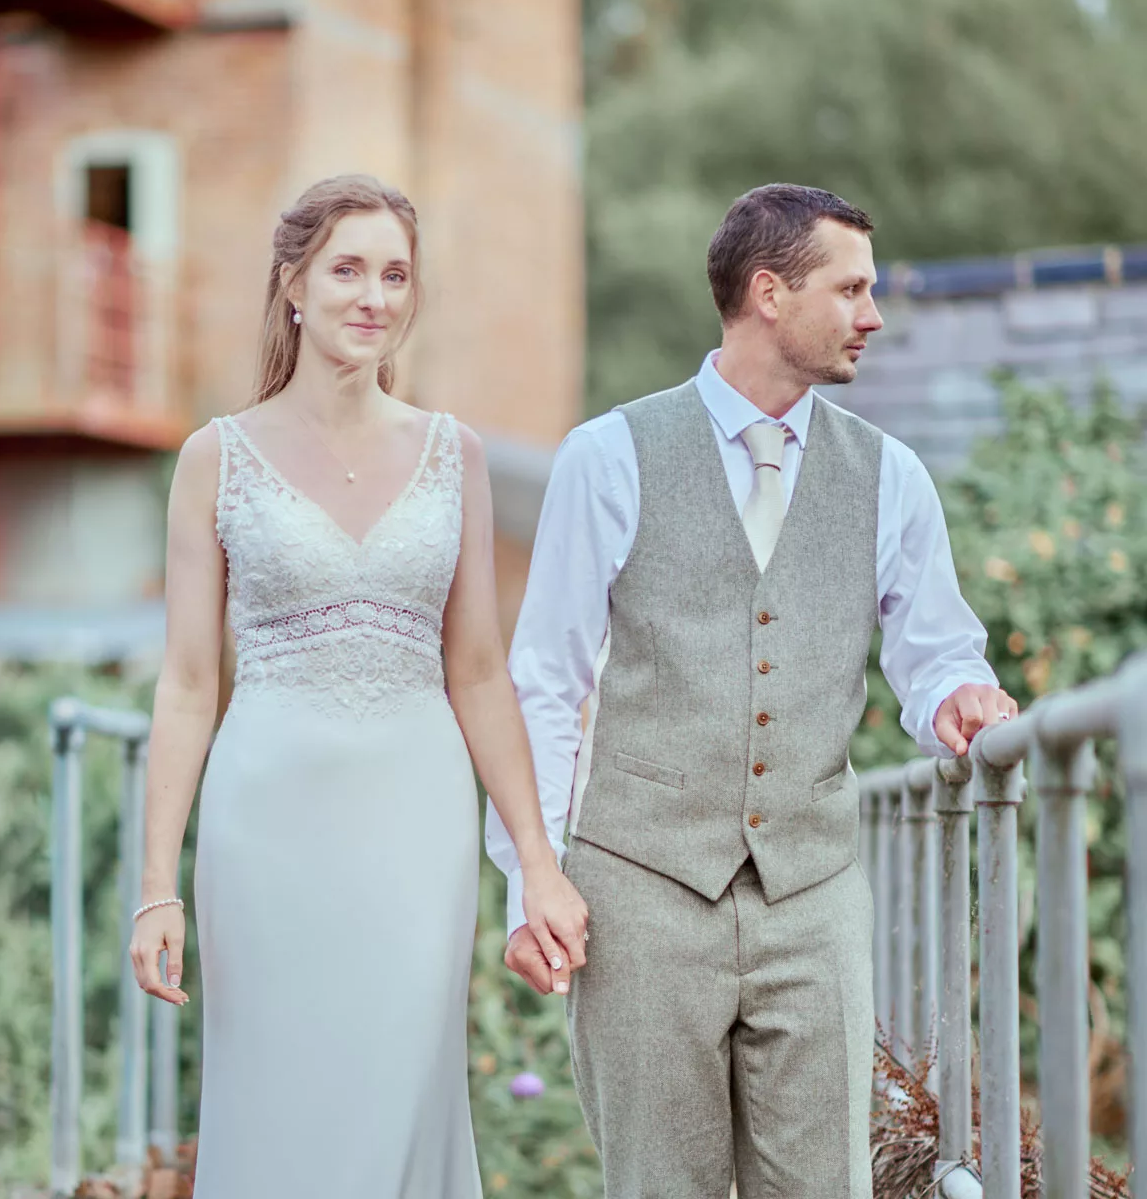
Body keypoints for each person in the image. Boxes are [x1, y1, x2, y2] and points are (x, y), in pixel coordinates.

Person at [488, 184, 1018, 1197]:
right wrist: (531, 877)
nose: (872, 314)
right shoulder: (609, 456)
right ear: (768, 292)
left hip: (811, 896)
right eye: (850, 287)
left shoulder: (889, 474)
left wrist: (957, 695)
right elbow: (543, 681)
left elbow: (935, 647)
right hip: (638, 889)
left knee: (821, 1184)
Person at [128, 174, 588, 1197]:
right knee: (278, 1107)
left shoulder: (450, 452)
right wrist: (155, 887)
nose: (373, 296)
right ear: (292, 283)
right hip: (263, 828)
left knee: (397, 1087)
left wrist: (536, 862)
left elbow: (476, 672)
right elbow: (189, 685)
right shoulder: (215, 457)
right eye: (347, 269)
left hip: (413, 822)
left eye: (394, 274)